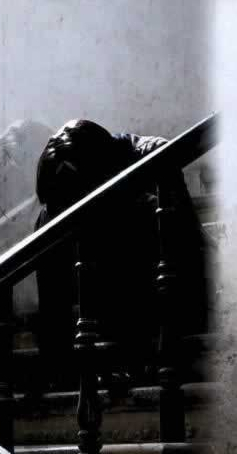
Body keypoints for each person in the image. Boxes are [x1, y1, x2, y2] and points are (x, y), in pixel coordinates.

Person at [33, 118, 209, 389]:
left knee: (147, 215)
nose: (59, 209)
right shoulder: (55, 206)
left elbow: (190, 253)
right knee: (49, 229)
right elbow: (52, 304)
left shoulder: (148, 161)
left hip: (159, 292)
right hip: (113, 291)